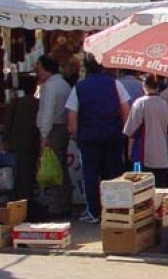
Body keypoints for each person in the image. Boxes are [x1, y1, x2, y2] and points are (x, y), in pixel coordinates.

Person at [67, 54, 131, 223]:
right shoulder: (115, 84)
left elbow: (72, 117)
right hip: (112, 135)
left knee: (90, 175)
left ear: (86, 68)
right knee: (114, 174)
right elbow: (126, 111)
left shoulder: (79, 87)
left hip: (88, 138)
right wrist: (124, 133)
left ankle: (94, 212)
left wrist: (77, 136)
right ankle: (116, 211)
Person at [34, 55, 72, 214]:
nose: (38, 72)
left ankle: (56, 206)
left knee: (53, 168)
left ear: (46, 69)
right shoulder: (63, 84)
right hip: (61, 127)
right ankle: (63, 202)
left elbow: (47, 112)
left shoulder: (50, 86)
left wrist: (44, 136)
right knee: (60, 166)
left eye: (39, 68)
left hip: (53, 130)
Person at [123, 75, 168, 188]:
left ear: (144, 85)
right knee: (160, 189)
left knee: (142, 191)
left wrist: (129, 151)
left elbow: (131, 130)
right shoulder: (164, 104)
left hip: (143, 155)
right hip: (162, 155)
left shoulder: (140, 103)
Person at [3, 76, 40, 201]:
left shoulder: (16, 102)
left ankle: (20, 201)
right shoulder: (38, 103)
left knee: (19, 176)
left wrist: (5, 140)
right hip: (33, 143)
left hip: (17, 143)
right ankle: (29, 200)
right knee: (30, 174)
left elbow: (8, 124)